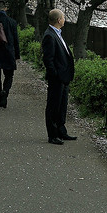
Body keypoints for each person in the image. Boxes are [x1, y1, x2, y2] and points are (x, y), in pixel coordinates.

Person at [41, 8, 76, 145]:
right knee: (53, 106)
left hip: (63, 77)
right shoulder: (50, 35)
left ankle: (61, 130)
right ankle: (53, 134)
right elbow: (48, 59)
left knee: (62, 105)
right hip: (57, 78)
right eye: (63, 17)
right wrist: (55, 74)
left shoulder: (57, 33)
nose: (65, 19)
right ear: (58, 20)